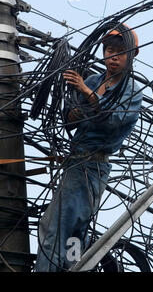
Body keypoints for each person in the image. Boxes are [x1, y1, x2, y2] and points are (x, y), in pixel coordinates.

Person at [35, 25, 143, 272]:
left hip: (93, 166)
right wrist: (75, 106)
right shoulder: (94, 80)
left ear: (132, 55)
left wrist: (87, 94)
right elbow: (71, 117)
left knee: (57, 228)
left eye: (120, 51)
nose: (112, 56)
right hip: (76, 161)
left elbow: (111, 119)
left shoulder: (131, 92)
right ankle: (69, 268)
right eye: (109, 49)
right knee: (72, 230)